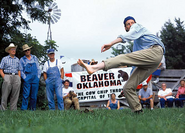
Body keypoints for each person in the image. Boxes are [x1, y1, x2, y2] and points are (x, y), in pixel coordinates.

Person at [77, 16, 165, 113]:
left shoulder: (138, 26)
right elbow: (135, 65)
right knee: (128, 88)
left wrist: (111, 43)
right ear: (125, 28)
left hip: (155, 51)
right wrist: (131, 79)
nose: (131, 25)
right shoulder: (137, 46)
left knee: (123, 58)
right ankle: (138, 112)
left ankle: (94, 67)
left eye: (132, 22)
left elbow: (127, 36)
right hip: (150, 62)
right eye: (128, 24)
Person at [20, 44, 41, 111]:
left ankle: (32, 109)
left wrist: (38, 77)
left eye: (28, 50)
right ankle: (24, 109)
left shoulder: (34, 57)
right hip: (27, 78)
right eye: (26, 50)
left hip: (35, 78)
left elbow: (38, 68)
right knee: (26, 95)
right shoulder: (22, 59)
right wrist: (25, 78)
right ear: (24, 52)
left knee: (34, 96)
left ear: (30, 50)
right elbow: (21, 70)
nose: (27, 51)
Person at [0, 43, 21, 110]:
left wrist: (19, 78)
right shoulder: (4, 59)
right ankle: (3, 109)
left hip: (16, 76)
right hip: (7, 75)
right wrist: (5, 78)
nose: (13, 50)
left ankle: (13, 109)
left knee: (15, 94)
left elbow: (19, 69)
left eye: (14, 49)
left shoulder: (17, 59)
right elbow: (0, 69)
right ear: (9, 51)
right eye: (12, 49)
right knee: (5, 94)